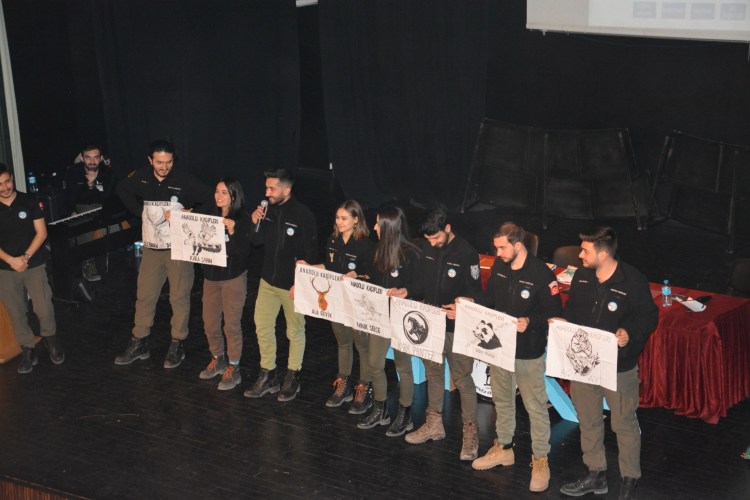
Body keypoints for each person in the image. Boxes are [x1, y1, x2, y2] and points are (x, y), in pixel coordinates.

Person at [556, 227, 658, 500]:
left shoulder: (633, 281)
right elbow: (573, 310)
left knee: (624, 424)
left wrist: (629, 333)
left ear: (603, 254)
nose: (580, 255)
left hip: (618, 368)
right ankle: (595, 474)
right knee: (588, 421)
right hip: (584, 367)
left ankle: (629, 480)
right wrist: (564, 323)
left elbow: (649, 317)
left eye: (585, 251)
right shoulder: (582, 276)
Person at [465, 222, 562, 492]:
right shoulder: (500, 266)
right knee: (502, 400)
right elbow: (490, 298)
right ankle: (504, 448)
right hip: (500, 349)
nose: (497, 253)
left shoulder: (542, 274)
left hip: (528, 352)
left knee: (535, 407)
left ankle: (541, 460)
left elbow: (554, 314)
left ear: (518, 245)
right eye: (496, 248)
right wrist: (471, 302)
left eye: (502, 248)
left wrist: (530, 321)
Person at [114, 139, 211, 369]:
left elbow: (210, 198)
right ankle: (139, 341)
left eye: (168, 162)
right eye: (159, 162)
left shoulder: (184, 179)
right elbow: (121, 189)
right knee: (145, 295)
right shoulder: (141, 176)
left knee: (179, 297)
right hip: (151, 248)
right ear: (150, 160)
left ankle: (177, 343)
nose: (164, 167)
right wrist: (140, 212)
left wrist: (191, 212)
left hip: (178, 249)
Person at [405, 209, 482, 461]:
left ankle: (470, 432)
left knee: (462, 379)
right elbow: (421, 284)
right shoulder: (427, 248)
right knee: (434, 373)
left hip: (456, 329)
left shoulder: (467, 253)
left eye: (436, 237)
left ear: (447, 228)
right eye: (428, 239)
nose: (432, 243)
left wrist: (464, 307)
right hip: (431, 325)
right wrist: (406, 291)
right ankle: (434, 424)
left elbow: (477, 295)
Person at [244, 168, 317, 402]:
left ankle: (292, 376)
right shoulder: (268, 211)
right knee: (262, 326)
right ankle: (268, 374)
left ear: (287, 190)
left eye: (272, 189)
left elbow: (310, 253)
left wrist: (300, 283)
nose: (267, 193)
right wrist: (254, 222)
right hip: (267, 281)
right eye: (266, 188)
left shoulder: (303, 214)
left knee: (294, 331)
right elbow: (256, 242)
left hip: (292, 286)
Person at [299, 200, 376, 413]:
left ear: (356, 220)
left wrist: (357, 275)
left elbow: (373, 276)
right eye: (337, 218)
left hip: (358, 303)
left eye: (344, 218)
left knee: (362, 346)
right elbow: (328, 265)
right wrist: (309, 267)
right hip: (337, 302)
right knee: (343, 343)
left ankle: (364, 387)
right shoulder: (333, 240)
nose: (339, 222)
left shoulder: (366, 245)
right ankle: (343, 384)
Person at [357, 205, 422, 437]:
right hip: (381, 317)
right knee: (375, 363)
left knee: (403, 367)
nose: (374, 227)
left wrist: (407, 291)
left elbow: (422, 286)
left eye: (378, 223)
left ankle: (405, 414)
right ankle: (380, 408)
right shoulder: (378, 251)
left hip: (402, 319)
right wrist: (358, 278)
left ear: (389, 227)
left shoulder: (411, 253)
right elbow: (373, 281)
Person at [0, 163, 64, 373]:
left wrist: (25, 257)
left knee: (43, 306)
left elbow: (42, 232)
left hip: (33, 263)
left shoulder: (29, 201)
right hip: (5, 268)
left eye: (7, 182)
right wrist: (11, 260)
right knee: (16, 311)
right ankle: (27, 348)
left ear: (12, 179)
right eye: (0, 184)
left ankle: (50, 340)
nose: (5, 187)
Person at [197, 178, 251, 391]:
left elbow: (245, 252)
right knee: (209, 322)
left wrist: (233, 232)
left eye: (224, 193)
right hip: (211, 278)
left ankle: (234, 367)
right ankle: (217, 358)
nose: (218, 196)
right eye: (217, 191)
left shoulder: (242, 219)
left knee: (231, 324)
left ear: (234, 196)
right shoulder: (210, 215)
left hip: (233, 278)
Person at [63, 143, 119, 282]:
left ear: (101, 158)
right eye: (88, 158)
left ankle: (117, 261)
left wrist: (91, 186)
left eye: (95, 158)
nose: (92, 161)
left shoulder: (108, 173)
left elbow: (106, 197)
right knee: (84, 223)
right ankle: (88, 262)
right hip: (81, 207)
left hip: (103, 207)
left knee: (114, 225)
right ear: (82, 158)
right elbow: (72, 197)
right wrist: (73, 210)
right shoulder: (74, 172)